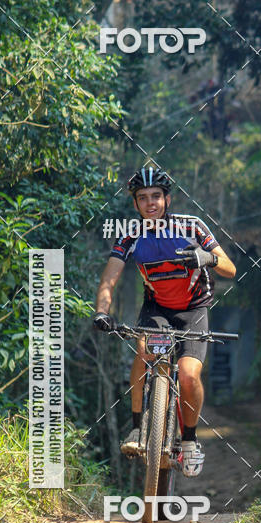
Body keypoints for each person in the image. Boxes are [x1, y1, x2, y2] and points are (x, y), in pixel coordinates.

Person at [93, 165, 236, 477]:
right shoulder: (131, 236)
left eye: (156, 196)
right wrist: (102, 312)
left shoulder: (192, 227)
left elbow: (230, 268)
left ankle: (188, 441)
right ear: (135, 204)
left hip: (194, 310)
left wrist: (206, 257)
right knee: (144, 353)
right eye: (143, 198)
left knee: (187, 375)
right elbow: (109, 281)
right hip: (156, 310)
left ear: (167, 199)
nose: (150, 203)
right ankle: (136, 429)